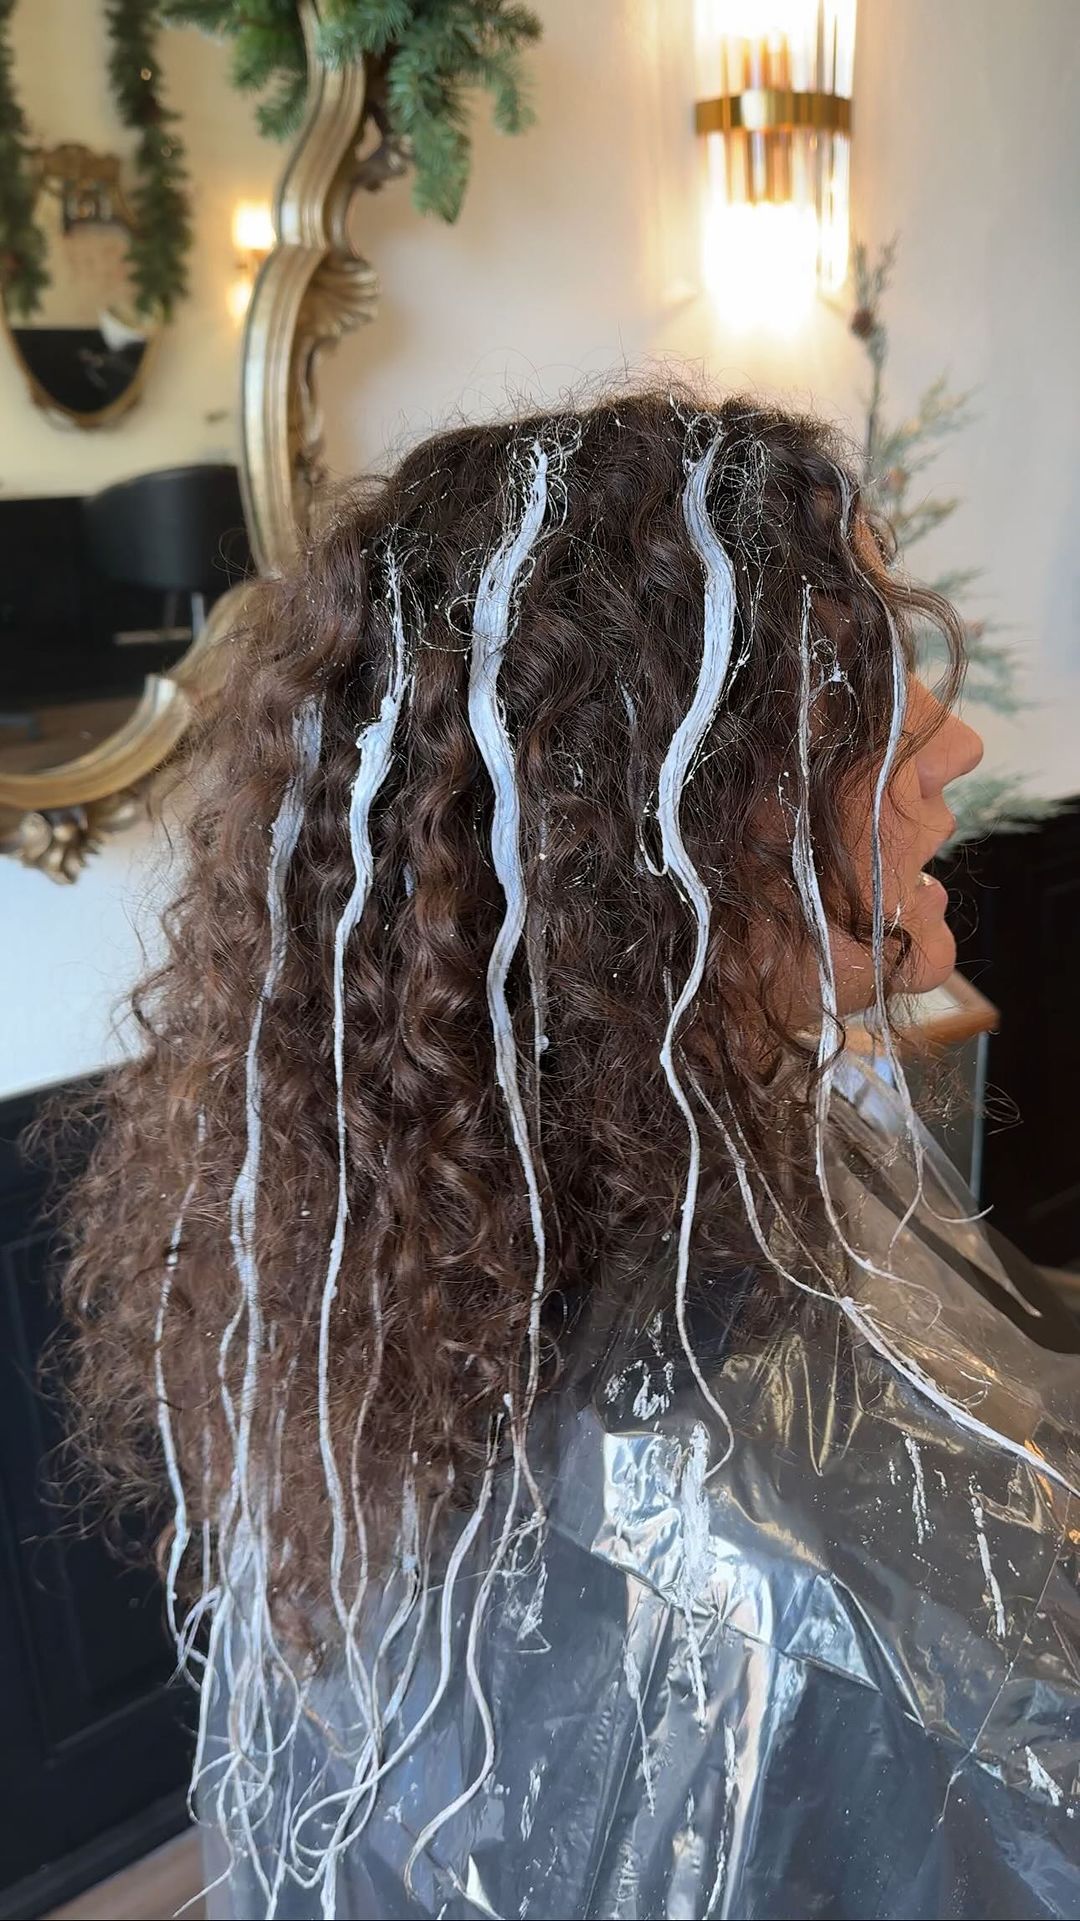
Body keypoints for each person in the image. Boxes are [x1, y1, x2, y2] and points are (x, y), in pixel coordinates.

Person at [61, 390, 1080, 1920]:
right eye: (853, 700)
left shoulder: (396, 1291)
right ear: (646, 840)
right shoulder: (756, 1488)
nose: (957, 748)